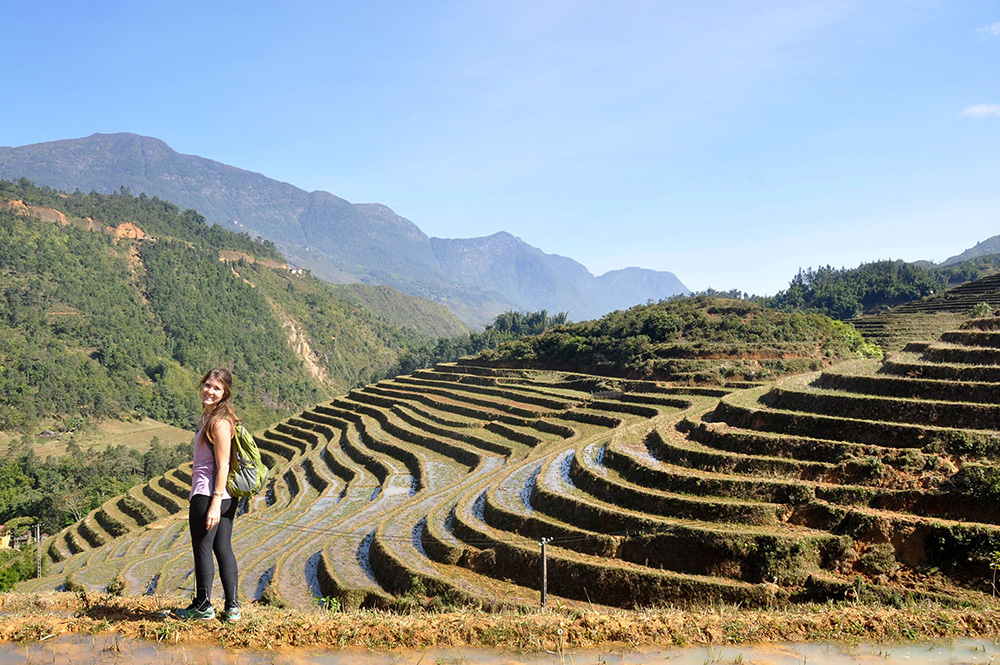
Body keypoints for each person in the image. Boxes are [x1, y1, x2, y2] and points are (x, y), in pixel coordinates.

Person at [171, 368, 241, 622]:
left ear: (225, 393)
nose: (210, 391)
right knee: (222, 547)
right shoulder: (210, 417)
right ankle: (232, 608)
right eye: (208, 385)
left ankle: (202, 605)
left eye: (216, 388)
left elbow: (222, 465)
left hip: (209, 493)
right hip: (223, 495)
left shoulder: (219, 422)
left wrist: (213, 503)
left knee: (203, 548)